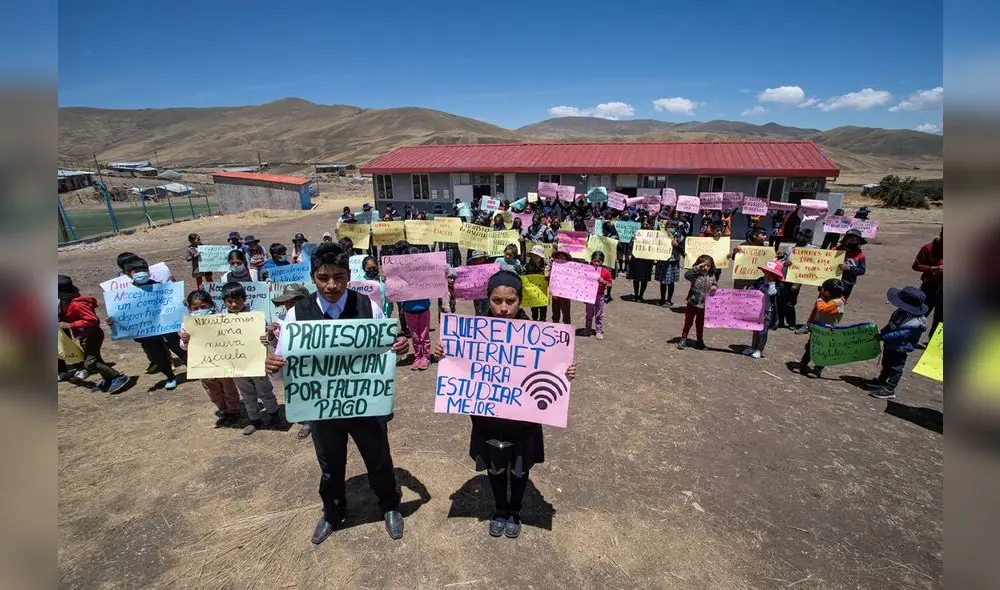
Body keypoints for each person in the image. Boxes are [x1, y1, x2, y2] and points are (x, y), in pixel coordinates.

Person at [263, 243, 411, 543]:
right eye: (323, 277)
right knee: (330, 466)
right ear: (313, 277)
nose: (332, 285)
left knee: (379, 458)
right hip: (321, 408)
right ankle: (332, 512)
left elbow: (385, 346)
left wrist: (397, 346)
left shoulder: (368, 306)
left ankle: (390, 505)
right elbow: (284, 370)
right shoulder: (296, 316)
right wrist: (274, 365)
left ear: (348, 275)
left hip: (365, 405)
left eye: (339, 277)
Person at [432, 271, 577, 539]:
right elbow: (460, 364)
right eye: (497, 300)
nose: (504, 308)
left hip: (523, 422)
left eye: (510, 301)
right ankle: (500, 509)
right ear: (488, 299)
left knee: (520, 468)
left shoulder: (537, 334)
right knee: (495, 466)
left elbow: (552, 366)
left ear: (520, 300)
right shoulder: (474, 331)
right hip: (487, 420)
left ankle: (515, 511)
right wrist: (444, 353)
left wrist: (564, 373)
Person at [220, 282, 286, 435]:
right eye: (230, 301)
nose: (234, 304)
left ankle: (274, 414)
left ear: (244, 299)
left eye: (238, 300)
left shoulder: (255, 317)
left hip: (257, 363)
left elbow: (267, 338)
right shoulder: (221, 321)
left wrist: (267, 335)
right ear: (224, 302)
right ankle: (254, 419)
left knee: (265, 390)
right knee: (247, 393)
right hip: (237, 366)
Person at [117, 258, 187, 390]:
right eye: (137, 271)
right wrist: (114, 320)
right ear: (128, 274)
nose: (141, 273)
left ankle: (195, 370)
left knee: (180, 349)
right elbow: (123, 312)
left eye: (144, 270)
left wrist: (180, 303)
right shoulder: (126, 295)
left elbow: (173, 303)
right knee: (158, 356)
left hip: (167, 329)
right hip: (147, 334)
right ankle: (170, 377)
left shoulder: (160, 286)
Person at [58, 275, 130, 394]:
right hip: (83, 336)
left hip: (92, 335)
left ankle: (117, 377)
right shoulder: (65, 303)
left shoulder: (78, 304)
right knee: (96, 360)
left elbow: (92, 320)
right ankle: (108, 379)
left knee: (90, 362)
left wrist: (70, 325)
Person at [179, 289, 241, 426]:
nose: (200, 310)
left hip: (222, 362)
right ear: (189, 309)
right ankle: (223, 410)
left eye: (203, 307)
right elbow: (183, 347)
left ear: (210, 306)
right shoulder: (186, 324)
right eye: (195, 308)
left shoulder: (220, 319)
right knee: (212, 389)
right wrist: (185, 340)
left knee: (228, 387)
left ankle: (233, 410)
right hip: (202, 365)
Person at [264, 283, 313, 438]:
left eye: (294, 302)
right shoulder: (281, 321)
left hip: (313, 362)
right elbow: (278, 346)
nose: (289, 305)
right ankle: (307, 421)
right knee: (299, 392)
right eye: (287, 302)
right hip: (294, 365)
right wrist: (271, 336)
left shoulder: (315, 317)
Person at [864, 287, 929, 400]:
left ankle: (890, 388)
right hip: (891, 344)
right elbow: (892, 325)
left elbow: (902, 334)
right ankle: (882, 380)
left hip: (901, 347)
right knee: (886, 363)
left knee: (895, 368)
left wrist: (884, 336)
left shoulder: (916, 322)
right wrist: (884, 331)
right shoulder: (902, 312)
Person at [796, 278, 846, 378]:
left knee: (823, 350)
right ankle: (803, 364)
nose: (821, 291)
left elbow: (822, 309)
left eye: (823, 290)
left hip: (828, 332)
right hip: (817, 330)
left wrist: (820, 299)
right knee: (810, 347)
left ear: (828, 292)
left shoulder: (837, 302)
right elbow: (816, 312)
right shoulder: (827, 300)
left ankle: (818, 369)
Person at [741, 259, 784, 359]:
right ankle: (753, 347)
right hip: (756, 310)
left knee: (763, 331)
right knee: (755, 330)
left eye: (771, 273)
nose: (768, 275)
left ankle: (759, 349)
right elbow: (752, 289)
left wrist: (771, 283)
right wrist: (748, 290)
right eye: (767, 272)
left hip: (767, 311)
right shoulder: (760, 280)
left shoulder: (778, 285)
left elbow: (772, 293)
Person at [400, 247, 433, 371]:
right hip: (409, 309)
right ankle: (418, 356)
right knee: (414, 336)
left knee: (424, 335)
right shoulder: (402, 274)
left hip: (423, 308)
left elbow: (436, 279)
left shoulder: (425, 273)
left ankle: (426, 357)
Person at [677, 254, 718, 350]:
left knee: (700, 323)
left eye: (708, 266)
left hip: (704, 304)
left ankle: (699, 340)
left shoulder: (712, 275)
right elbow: (687, 275)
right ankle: (683, 338)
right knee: (688, 321)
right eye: (703, 266)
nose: (705, 268)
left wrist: (715, 287)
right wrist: (697, 268)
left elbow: (715, 284)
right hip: (692, 302)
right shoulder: (695, 275)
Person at [778, 228, 814, 330]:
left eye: (803, 236)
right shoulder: (790, 248)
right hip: (784, 277)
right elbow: (785, 260)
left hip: (796, 279)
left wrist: (798, 283)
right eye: (799, 234)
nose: (800, 237)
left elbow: (809, 267)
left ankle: (791, 322)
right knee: (780, 300)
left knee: (790, 303)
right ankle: (780, 321)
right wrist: (783, 259)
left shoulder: (811, 250)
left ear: (808, 238)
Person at [912, 228, 943, 340]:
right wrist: (932, 269)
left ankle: (934, 342)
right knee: (921, 312)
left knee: (941, 317)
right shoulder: (928, 248)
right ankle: (913, 338)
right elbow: (916, 266)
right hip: (930, 287)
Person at [654, 220, 685, 307]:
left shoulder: (681, 237)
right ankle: (662, 299)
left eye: (673, 226)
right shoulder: (661, 235)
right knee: (662, 282)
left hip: (673, 261)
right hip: (663, 260)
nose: (671, 228)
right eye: (669, 226)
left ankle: (669, 300)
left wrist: (677, 245)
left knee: (671, 282)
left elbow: (683, 252)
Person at [584, 251, 613, 340]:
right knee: (589, 313)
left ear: (602, 262)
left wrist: (603, 282)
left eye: (598, 261)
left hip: (600, 296)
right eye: (594, 261)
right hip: (589, 295)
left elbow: (610, 284)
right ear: (591, 260)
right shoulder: (588, 270)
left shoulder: (606, 272)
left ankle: (598, 331)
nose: (596, 263)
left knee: (599, 314)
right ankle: (588, 329)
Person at [834, 229, 867, 300]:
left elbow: (862, 270)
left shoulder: (860, 255)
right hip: (832, 282)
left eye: (856, 240)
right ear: (846, 239)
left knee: (838, 306)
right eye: (851, 240)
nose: (854, 242)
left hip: (847, 284)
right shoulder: (835, 250)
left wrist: (849, 268)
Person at [628, 219, 655, 301]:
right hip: (637, 259)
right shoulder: (637, 233)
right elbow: (630, 246)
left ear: (650, 225)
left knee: (644, 279)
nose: (645, 225)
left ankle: (641, 295)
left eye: (647, 224)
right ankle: (636, 295)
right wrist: (632, 241)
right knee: (635, 277)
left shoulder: (654, 235)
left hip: (647, 259)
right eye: (644, 224)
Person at [523, 245, 548, 321]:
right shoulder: (527, 266)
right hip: (532, 291)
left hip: (542, 291)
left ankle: (543, 321)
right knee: (534, 308)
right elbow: (524, 276)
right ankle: (535, 321)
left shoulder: (546, 266)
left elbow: (548, 276)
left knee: (543, 308)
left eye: (537, 256)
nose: (535, 257)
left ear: (541, 257)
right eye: (533, 255)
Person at [549, 250, 573, 324]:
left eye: (563, 258)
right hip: (555, 295)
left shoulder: (570, 270)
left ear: (567, 260)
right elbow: (549, 278)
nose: (561, 259)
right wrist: (550, 267)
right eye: (559, 257)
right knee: (555, 313)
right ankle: (555, 329)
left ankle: (567, 329)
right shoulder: (552, 268)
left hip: (565, 296)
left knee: (566, 314)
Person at [468, 250, 493, 317]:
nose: (478, 261)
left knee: (486, 309)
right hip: (476, 294)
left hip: (486, 293)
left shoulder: (489, 267)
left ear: (484, 258)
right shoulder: (471, 268)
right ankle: (478, 323)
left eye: (480, 259)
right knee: (478, 310)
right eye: (476, 259)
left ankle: (485, 323)